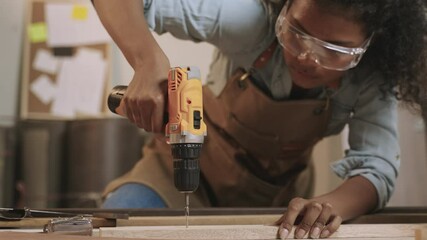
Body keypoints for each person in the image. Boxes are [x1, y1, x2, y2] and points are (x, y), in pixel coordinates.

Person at [92, 0, 427, 239]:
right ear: (285, 9)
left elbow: (377, 169)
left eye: (334, 50)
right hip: (170, 174)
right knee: (118, 225)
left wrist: (327, 206)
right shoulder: (251, 23)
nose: (307, 57)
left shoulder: (372, 77)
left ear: (369, 44)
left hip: (276, 201)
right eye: (297, 32)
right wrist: (147, 60)